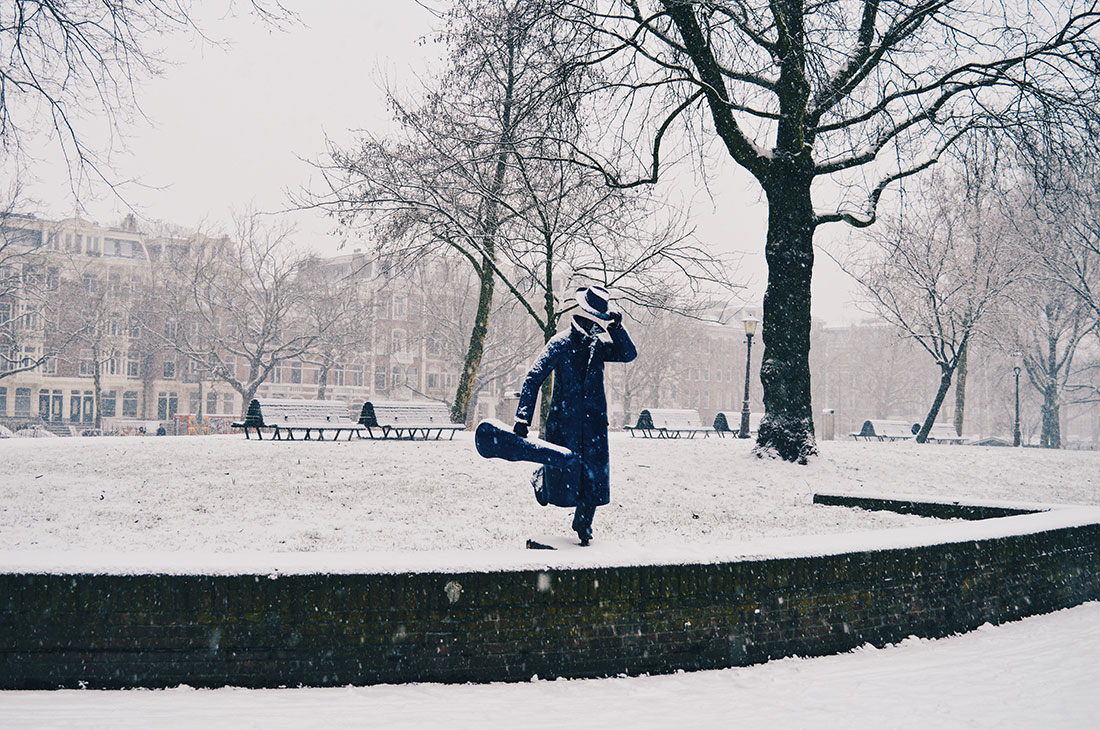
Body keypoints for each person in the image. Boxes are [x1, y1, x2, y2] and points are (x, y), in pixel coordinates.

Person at [513, 286, 637, 546]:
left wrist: (616, 328)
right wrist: (523, 417)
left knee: (594, 477)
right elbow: (533, 378)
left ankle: (584, 524)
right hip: (565, 422)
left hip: (593, 425)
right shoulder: (559, 342)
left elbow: (628, 354)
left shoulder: (600, 346)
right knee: (562, 475)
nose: (594, 327)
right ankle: (541, 481)